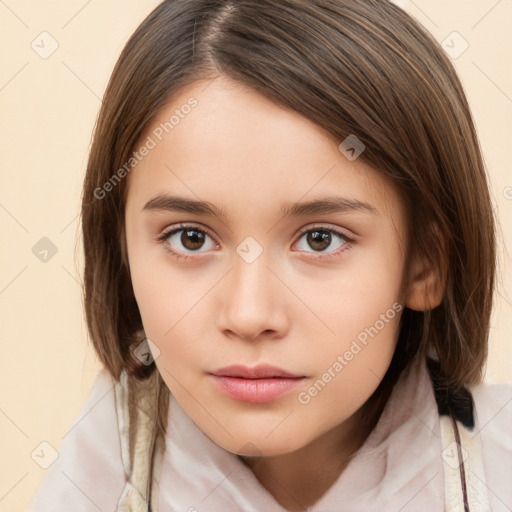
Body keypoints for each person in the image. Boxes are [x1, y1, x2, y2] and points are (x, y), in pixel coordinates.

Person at [28, 0, 512, 511]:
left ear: (425, 262)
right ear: (121, 253)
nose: (249, 314)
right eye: (190, 238)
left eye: (320, 239)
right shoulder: (89, 483)